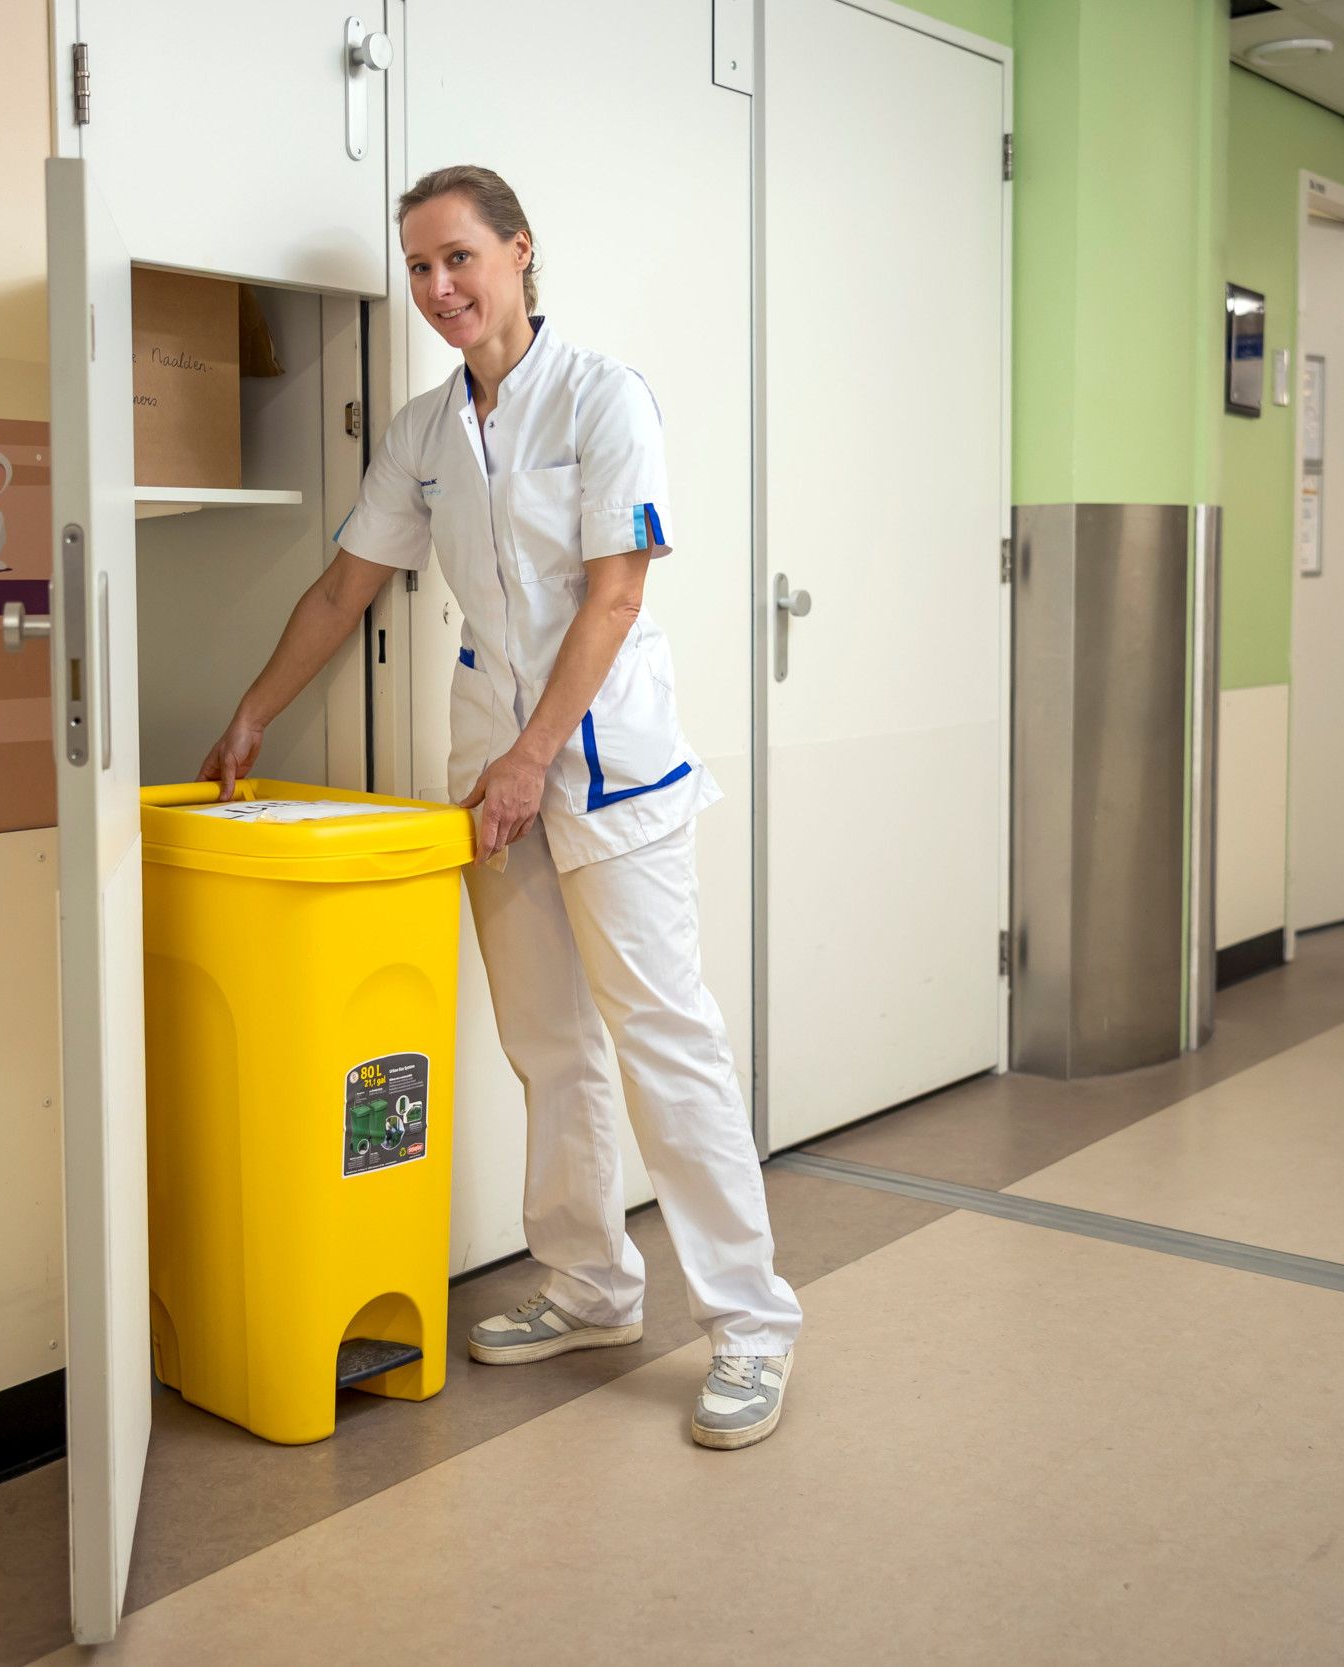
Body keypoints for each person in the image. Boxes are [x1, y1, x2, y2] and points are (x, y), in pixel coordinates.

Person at [199, 165, 802, 1450]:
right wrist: (253, 710)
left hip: (607, 768)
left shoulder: (602, 397)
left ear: (521, 253)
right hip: (497, 771)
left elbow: (613, 596)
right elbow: (340, 590)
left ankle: (750, 1325)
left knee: (664, 1040)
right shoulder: (423, 433)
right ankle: (591, 1285)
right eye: (418, 267)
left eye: (459, 258)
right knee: (547, 1042)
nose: (438, 289)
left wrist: (534, 757)